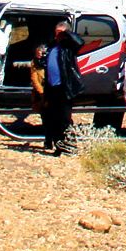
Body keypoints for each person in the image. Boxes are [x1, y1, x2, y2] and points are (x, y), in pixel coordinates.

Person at [41, 22, 84, 155]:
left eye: (60, 32)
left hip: (64, 87)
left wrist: (67, 34)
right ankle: (58, 144)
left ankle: (67, 146)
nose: (57, 35)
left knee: (64, 119)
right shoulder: (52, 46)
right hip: (51, 87)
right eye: (56, 32)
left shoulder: (68, 47)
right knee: (53, 118)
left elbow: (80, 42)